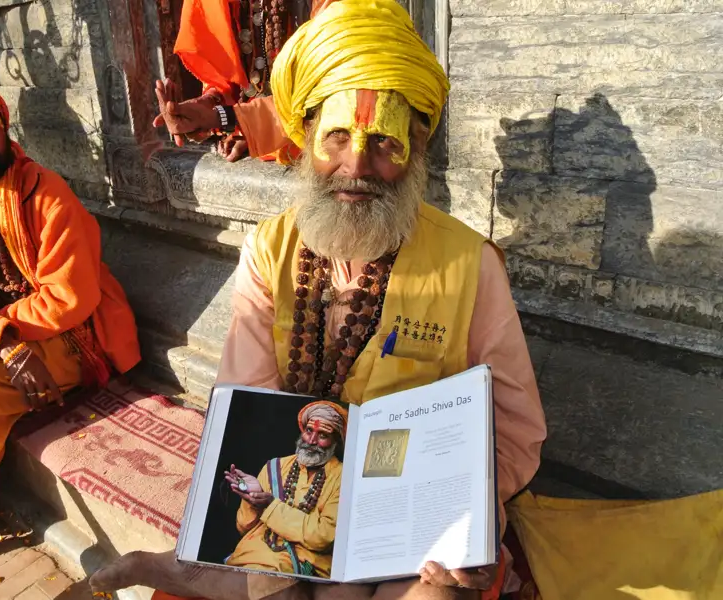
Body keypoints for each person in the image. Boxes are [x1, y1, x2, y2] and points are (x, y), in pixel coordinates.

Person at [90, 1, 546, 598]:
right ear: (306, 139)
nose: (357, 165)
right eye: (337, 136)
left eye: (385, 141)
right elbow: (248, 401)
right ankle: (181, 568)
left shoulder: (469, 263)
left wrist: (473, 514)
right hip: (296, 491)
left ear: (417, 147)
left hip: (417, 512)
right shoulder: (270, 249)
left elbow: (514, 430)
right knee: (281, 585)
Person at [0, 65, 140, 590]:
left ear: (5, 128)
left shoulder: (44, 190)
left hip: (70, 337)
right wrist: (0, 342)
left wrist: (4, 342)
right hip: (3, 339)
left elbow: (71, 297)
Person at [154, 0, 337, 162]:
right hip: (257, 135)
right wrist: (212, 102)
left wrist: (237, 120)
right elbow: (224, 72)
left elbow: (332, 81)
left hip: (325, 140)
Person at [222, 400, 347, 577]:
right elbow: (243, 528)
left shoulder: (342, 477)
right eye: (309, 431)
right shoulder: (275, 467)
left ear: (336, 441)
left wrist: (271, 505)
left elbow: (323, 537)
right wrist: (253, 500)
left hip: (303, 565)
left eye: (323, 435)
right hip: (250, 556)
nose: (311, 441)